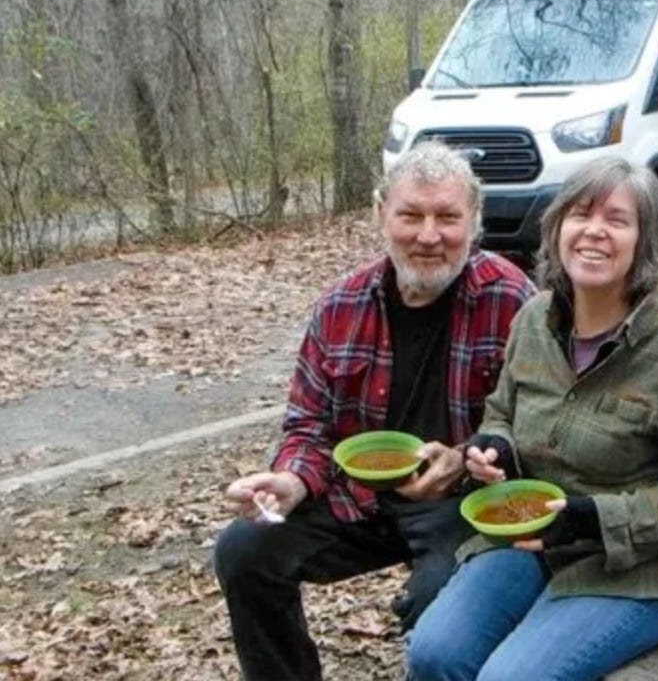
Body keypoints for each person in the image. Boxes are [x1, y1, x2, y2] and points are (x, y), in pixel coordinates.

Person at [212, 140, 536, 681]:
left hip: (463, 504)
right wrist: (292, 480)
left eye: (447, 218)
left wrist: (464, 457)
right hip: (355, 498)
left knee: (439, 606)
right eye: (410, 215)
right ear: (381, 214)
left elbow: (541, 423)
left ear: (474, 223)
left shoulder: (512, 300)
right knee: (244, 550)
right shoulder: (342, 305)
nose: (428, 235)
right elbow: (308, 423)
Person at [405, 157, 658, 681]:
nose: (595, 231)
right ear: (558, 227)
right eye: (581, 214)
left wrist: (587, 518)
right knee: (433, 653)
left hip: (637, 569)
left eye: (617, 219)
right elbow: (503, 410)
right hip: (528, 542)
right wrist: (496, 445)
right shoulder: (534, 319)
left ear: (643, 240)